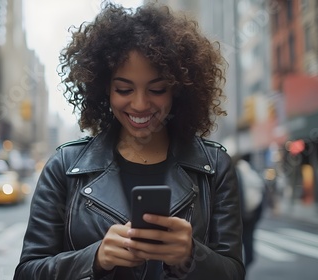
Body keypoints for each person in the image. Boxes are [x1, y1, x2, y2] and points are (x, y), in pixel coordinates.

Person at [14, 3, 244, 280]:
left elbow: (233, 272)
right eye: (124, 89)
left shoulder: (214, 167)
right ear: (104, 89)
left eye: (157, 89)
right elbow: (28, 272)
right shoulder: (64, 167)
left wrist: (192, 255)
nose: (139, 104)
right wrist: (95, 258)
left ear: (177, 90)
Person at [233, 156, 265, 269]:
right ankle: (248, 260)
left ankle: (242, 266)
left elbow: (239, 194)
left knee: (239, 240)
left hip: (242, 214)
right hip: (253, 212)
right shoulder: (251, 171)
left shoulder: (236, 172)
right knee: (248, 238)